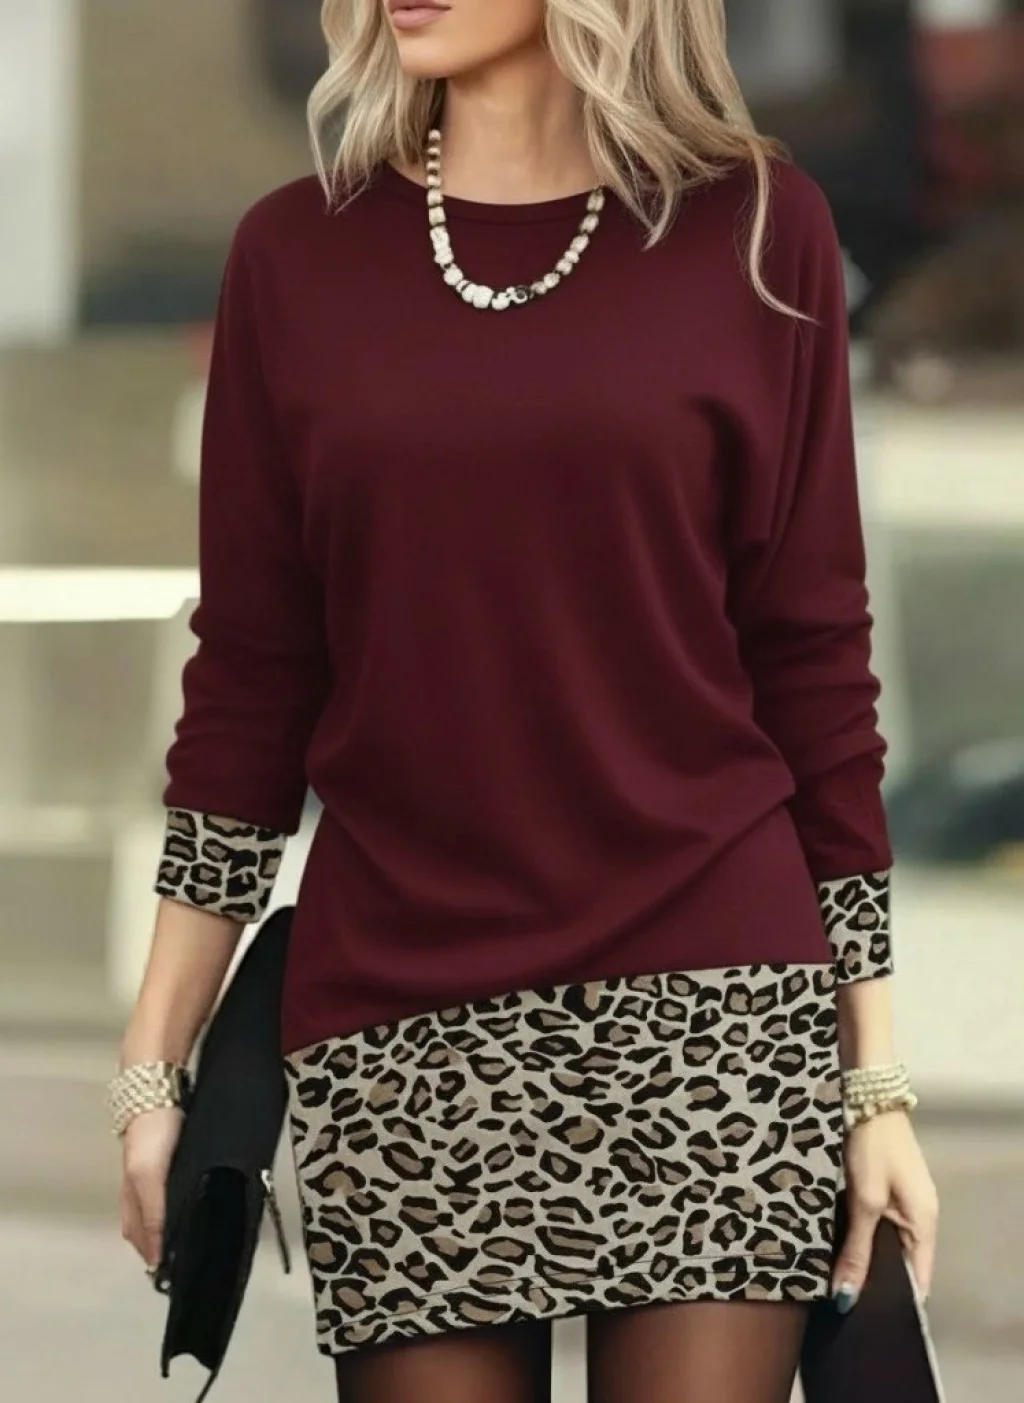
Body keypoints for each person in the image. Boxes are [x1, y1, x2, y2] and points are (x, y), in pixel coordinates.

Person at [110, 3, 939, 1401]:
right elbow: (252, 675)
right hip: (400, 1019)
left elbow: (813, 663)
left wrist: (874, 1082)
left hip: (713, 1007)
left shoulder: (755, 230)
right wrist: (155, 1059)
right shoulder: (293, 257)